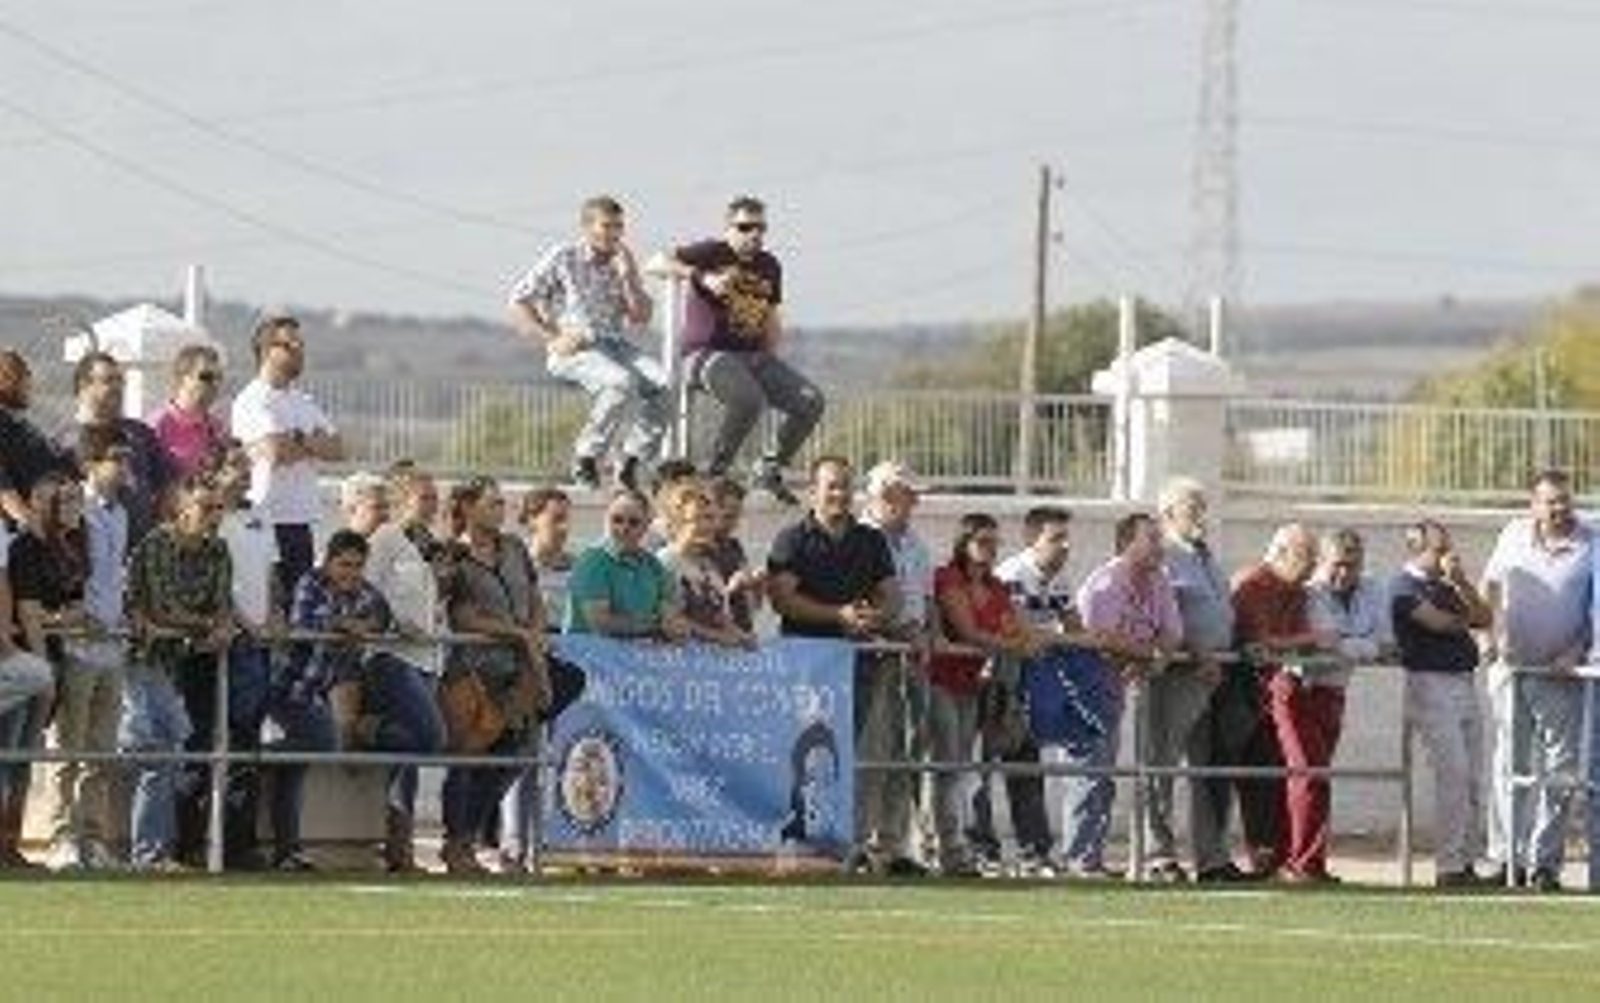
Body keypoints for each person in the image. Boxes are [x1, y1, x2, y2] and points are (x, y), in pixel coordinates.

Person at [767, 456, 906, 874]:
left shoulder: (871, 539)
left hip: (858, 665)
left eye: (845, 486)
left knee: (849, 756)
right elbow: (782, 598)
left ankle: (842, 846)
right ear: (814, 491)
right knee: (803, 754)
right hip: (806, 665)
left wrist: (875, 616)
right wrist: (839, 615)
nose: (839, 494)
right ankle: (797, 842)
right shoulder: (791, 538)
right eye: (831, 486)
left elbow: (891, 593)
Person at [648, 196, 824, 505]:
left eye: (760, 228)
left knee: (810, 401)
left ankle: (769, 469)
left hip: (754, 355)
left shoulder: (769, 265)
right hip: (705, 353)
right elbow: (656, 262)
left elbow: (771, 315)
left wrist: (772, 356)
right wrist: (702, 276)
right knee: (748, 399)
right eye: (745, 227)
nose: (754, 234)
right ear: (729, 228)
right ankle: (716, 472)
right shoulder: (713, 252)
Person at [1481, 470, 1593, 892]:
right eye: (1549, 501)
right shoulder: (1512, 534)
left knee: (1560, 769)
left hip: (1561, 674)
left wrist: (1578, 650)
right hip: (1512, 670)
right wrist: (1490, 636)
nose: (1558, 508)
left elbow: (1594, 609)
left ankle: (1544, 862)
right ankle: (1508, 858)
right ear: (1533, 504)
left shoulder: (1591, 542)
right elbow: (1489, 586)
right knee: (1510, 764)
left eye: (1564, 500)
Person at [507, 195, 663, 493]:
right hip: (577, 346)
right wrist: (552, 338)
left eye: (619, 226)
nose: (614, 233)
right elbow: (518, 302)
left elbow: (641, 317)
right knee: (619, 382)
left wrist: (629, 276)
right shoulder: (564, 257)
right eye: (607, 226)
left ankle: (631, 461)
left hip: (616, 345)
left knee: (664, 383)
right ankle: (586, 457)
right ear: (587, 227)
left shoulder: (621, 262)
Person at [437, 476, 552, 874]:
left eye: (502, 504)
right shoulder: (454, 556)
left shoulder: (515, 548)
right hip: (476, 669)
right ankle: (456, 843)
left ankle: (470, 835)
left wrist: (533, 632)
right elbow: (463, 615)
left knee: (516, 751)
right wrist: (519, 634)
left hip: (518, 668)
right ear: (467, 508)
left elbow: (534, 597)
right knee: (468, 756)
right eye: (491, 503)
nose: (500, 510)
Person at [123, 475, 233, 871]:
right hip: (140, 661)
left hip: (174, 665)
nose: (215, 516)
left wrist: (214, 625)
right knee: (157, 756)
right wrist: (208, 627)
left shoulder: (219, 549)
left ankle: (155, 851)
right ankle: (148, 854)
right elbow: (161, 609)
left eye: (220, 507)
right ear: (183, 509)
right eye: (207, 507)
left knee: (175, 755)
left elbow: (222, 607)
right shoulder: (155, 544)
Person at [346, 470, 450, 872]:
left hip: (425, 659)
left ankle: (398, 848)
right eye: (423, 497)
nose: (431, 505)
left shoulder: (424, 547)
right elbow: (363, 589)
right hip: (392, 657)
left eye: (433, 497)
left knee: (405, 761)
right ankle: (364, 729)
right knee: (430, 736)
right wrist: (389, 625)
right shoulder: (386, 539)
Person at [927, 513, 1040, 876]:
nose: (991, 551)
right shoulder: (948, 577)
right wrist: (1013, 645)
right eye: (983, 543)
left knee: (962, 767)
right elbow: (969, 632)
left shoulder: (997, 587)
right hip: (939, 679)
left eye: (995, 543)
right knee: (947, 765)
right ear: (965, 543)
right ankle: (948, 848)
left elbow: (1024, 632)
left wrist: (1019, 642)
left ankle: (952, 844)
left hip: (974, 684)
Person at [1071, 512, 1184, 878]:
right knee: (1090, 773)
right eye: (1151, 538)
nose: (1159, 546)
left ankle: (1092, 858)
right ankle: (1080, 859)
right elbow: (1101, 638)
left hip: (1117, 687)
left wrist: (1153, 658)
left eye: (1159, 538)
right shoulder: (1106, 583)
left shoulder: (1159, 581)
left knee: (1104, 777)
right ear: (1127, 543)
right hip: (1085, 687)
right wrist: (1145, 654)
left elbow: (1172, 632)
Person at [45, 434, 132, 871]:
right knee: (68, 746)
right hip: (78, 642)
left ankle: (93, 838)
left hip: (112, 644)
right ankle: (62, 836)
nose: (122, 465)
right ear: (91, 463)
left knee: (101, 750)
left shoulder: (122, 513)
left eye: (125, 458)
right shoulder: (76, 511)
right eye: (114, 458)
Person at [1390, 519, 1493, 888]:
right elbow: (1439, 624)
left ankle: (1466, 860)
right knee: (1453, 773)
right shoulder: (1403, 587)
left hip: (1463, 681)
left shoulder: (1448, 585)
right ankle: (1449, 866)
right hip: (1430, 682)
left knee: (1473, 776)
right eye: (1439, 549)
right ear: (1416, 549)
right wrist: (1465, 617)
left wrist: (1462, 582)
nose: (1447, 555)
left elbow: (1486, 617)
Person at [1230, 523, 1331, 882]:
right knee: (1240, 776)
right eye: (1309, 557)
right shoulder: (1254, 584)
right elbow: (1258, 644)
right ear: (1282, 552)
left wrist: (1300, 641)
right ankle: (1228, 859)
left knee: (1275, 775)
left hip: (1273, 694)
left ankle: (1276, 859)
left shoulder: (1298, 592)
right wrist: (1310, 638)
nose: (1314, 566)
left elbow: (1283, 642)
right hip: (1237, 692)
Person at [230, 313, 345, 610]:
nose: (300, 351)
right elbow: (274, 450)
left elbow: (337, 448)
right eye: (292, 345)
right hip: (266, 518)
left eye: (302, 345)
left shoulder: (302, 401)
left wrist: (297, 439)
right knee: (267, 607)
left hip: (300, 521)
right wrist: (310, 442)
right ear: (269, 350)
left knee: (300, 611)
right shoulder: (253, 400)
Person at [5, 470, 88, 870]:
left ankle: (10, 844)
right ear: (46, 503)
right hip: (24, 662)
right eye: (68, 500)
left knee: (24, 760)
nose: (76, 508)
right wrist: (44, 672)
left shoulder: (66, 549)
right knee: (9, 755)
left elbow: (76, 610)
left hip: (49, 658)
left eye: (78, 500)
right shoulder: (24, 549)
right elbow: (29, 614)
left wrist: (55, 618)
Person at [1154, 477, 1235, 884]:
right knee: (1162, 763)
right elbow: (1163, 614)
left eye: (1203, 507)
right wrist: (1198, 651)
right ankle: (1159, 854)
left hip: (1215, 672)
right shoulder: (1164, 555)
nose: (1202, 516)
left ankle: (1211, 856)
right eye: (1193, 508)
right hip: (1178, 672)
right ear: (1169, 514)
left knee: (1205, 768)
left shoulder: (1204, 555)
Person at [207, 438, 282, 869]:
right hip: (229, 645)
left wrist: (272, 616)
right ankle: (203, 841)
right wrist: (243, 623)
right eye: (236, 465)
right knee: (216, 741)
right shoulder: (211, 516)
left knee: (247, 744)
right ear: (216, 472)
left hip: (258, 646)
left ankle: (240, 843)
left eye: (246, 464)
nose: (246, 471)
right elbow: (217, 579)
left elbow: (270, 572)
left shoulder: (259, 514)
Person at [989, 504, 1076, 873]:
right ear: (1031, 540)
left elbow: (1074, 627)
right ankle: (980, 850)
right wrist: (1061, 638)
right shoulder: (1012, 574)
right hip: (995, 680)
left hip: (1030, 680)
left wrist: (1093, 642)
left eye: (1067, 539)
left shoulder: (1060, 581)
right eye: (1056, 539)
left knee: (1027, 764)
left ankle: (1034, 851)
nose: (1066, 546)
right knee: (978, 768)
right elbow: (1019, 629)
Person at [859, 460, 936, 875]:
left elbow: (925, 599)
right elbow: (864, 598)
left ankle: (892, 843)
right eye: (907, 494)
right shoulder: (861, 539)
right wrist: (901, 629)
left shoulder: (916, 544)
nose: (913, 502)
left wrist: (927, 635)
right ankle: (861, 842)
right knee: (872, 750)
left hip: (909, 657)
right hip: (874, 655)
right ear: (885, 495)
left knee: (904, 752)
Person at [1304, 528, 1391, 881]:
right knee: (1307, 775)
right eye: (1338, 565)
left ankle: (1313, 862)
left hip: (1334, 690)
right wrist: (1360, 645)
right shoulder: (1310, 593)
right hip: (1301, 689)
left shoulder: (1372, 588)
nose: (1345, 573)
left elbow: (1386, 640)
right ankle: (1301, 862)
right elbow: (1326, 641)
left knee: (1319, 775)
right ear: (1322, 562)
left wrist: (1350, 644)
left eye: (1353, 566)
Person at [61, 350, 174, 545]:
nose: (118, 387)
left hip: (141, 552)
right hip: (94, 556)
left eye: (120, 381)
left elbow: (164, 486)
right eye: (108, 380)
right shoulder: (66, 443)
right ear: (84, 385)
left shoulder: (140, 433)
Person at [0, 519, 54, 868]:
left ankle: (6, 847)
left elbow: (4, 592)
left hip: (9, 666)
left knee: (12, 760)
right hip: (9, 660)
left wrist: (6, 643)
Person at [567, 489, 688, 641]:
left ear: (646, 526)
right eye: (617, 520)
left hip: (638, 651)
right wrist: (656, 624)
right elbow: (601, 623)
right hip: (590, 653)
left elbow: (669, 613)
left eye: (633, 522)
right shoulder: (592, 560)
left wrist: (671, 624)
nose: (624, 528)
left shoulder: (652, 564)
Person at [656, 480, 756, 647]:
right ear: (677, 523)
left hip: (716, 662)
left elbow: (721, 617)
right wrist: (718, 637)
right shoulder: (666, 562)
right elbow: (669, 620)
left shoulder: (709, 566)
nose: (707, 526)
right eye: (697, 519)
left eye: (710, 518)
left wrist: (743, 636)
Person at [0, 348, 76, 528]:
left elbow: (59, 460)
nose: (29, 381)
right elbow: (4, 492)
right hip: (17, 536)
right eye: (21, 374)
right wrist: (35, 526)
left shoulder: (24, 426)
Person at [150, 343, 229, 480]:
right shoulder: (157, 424)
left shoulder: (218, 427)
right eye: (206, 377)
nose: (215, 384)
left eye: (219, 377)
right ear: (183, 378)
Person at [706, 475, 764, 633]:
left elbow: (755, 606)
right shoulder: (699, 551)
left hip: (742, 632)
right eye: (728, 517)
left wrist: (757, 585)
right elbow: (701, 606)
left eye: (737, 516)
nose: (734, 524)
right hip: (718, 638)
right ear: (710, 509)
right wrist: (731, 588)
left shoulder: (734, 546)